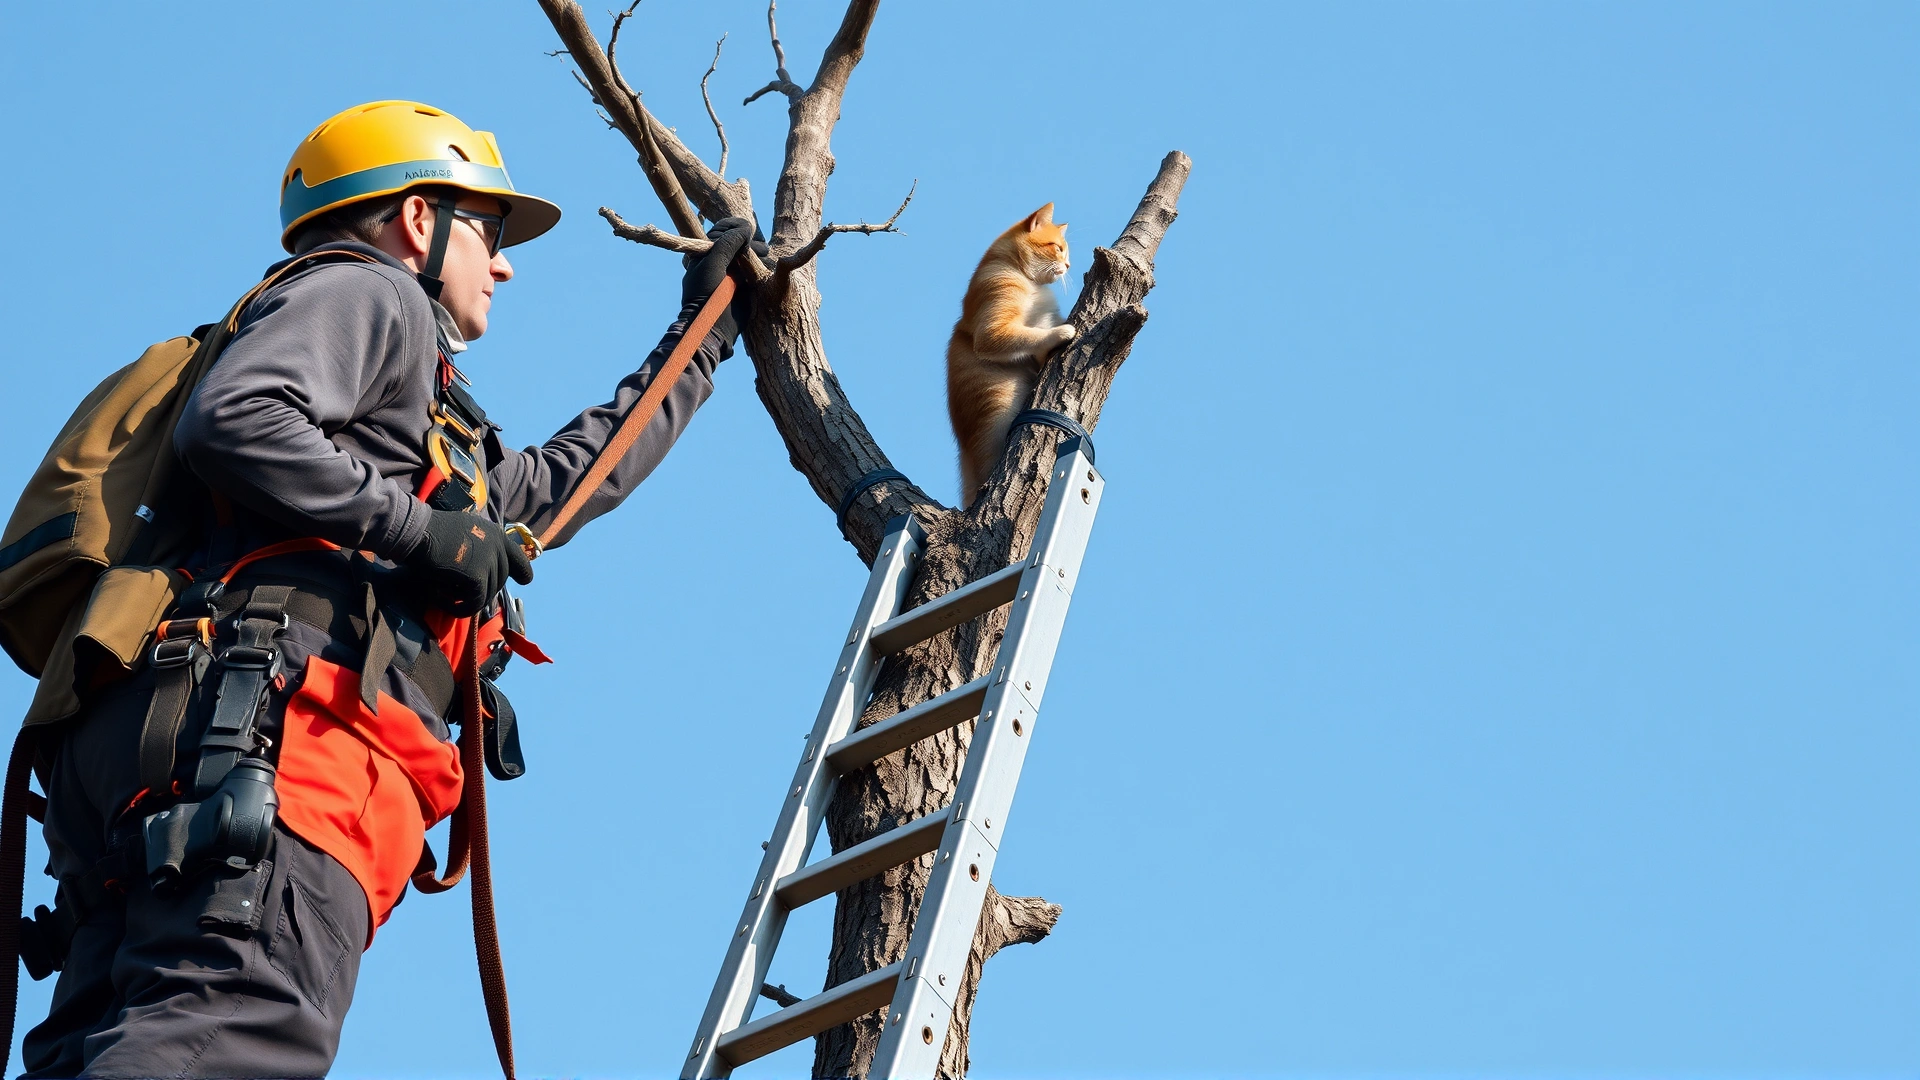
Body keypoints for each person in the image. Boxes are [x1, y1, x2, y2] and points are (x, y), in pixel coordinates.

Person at [17, 100, 755, 1078]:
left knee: (126, 1043)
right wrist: (417, 534)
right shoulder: (372, 295)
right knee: (232, 1033)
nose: (503, 264)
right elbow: (236, 420)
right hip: (276, 741)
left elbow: (554, 487)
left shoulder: (410, 409)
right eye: (488, 233)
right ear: (418, 221)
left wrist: (701, 335)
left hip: (169, 752)